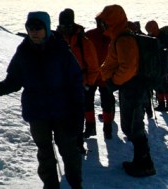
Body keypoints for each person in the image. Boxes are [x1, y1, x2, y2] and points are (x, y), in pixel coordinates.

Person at [0, 11, 84, 189]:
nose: (34, 32)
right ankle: (50, 185)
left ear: (47, 28)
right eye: (30, 28)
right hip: (37, 112)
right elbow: (13, 81)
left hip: (63, 111)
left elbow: (76, 83)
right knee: (44, 153)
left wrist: (77, 114)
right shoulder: (23, 53)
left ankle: (75, 183)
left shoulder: (61, 50)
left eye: (38, 28)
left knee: (69, 151)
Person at [95, 4, 156, 177]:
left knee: (133, 126)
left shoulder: (124, 39)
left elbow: (128, 67)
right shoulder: (120, 37)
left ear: (112, 21)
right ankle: (142, 162)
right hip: (131, 87)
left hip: (132, 88)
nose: (102, 26)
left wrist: (114, 81)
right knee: (132, 125)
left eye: (105, 22)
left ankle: (145, 165)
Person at [58, 9, 101, 151]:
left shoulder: (83, 42)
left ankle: (77, 143)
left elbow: (94, 67)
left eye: (67, 24)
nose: (65, 28)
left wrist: (87, 84)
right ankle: (68, 141)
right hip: (60, 85)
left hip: (79, 85)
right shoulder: (55, 40)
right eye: (62, 25)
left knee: (77, 115)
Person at [85, 10, 116, 140]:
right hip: (105, 76)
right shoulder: (113, 36)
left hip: (91, 75)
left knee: (87, 101)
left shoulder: (89, 35)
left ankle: (90, 127)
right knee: (107, 102)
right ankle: (107, 129)